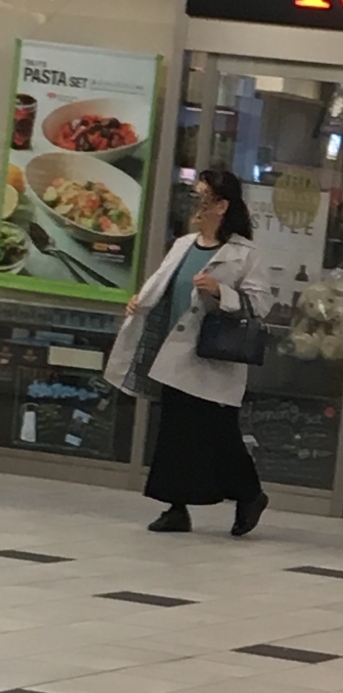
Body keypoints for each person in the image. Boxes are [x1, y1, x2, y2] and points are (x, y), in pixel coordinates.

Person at [105, 169, 271, 536]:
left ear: (221, 206)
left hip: (214, 358)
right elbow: (163, 286)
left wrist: (220, 292)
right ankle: (176, 507)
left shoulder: (245, 254)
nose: (194, 203)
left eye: (202, 196)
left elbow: (261, 304)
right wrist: (139, 301)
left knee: (219, 433)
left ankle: (249, 494)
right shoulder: (183, 245)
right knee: (174, 433)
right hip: (175, 352)